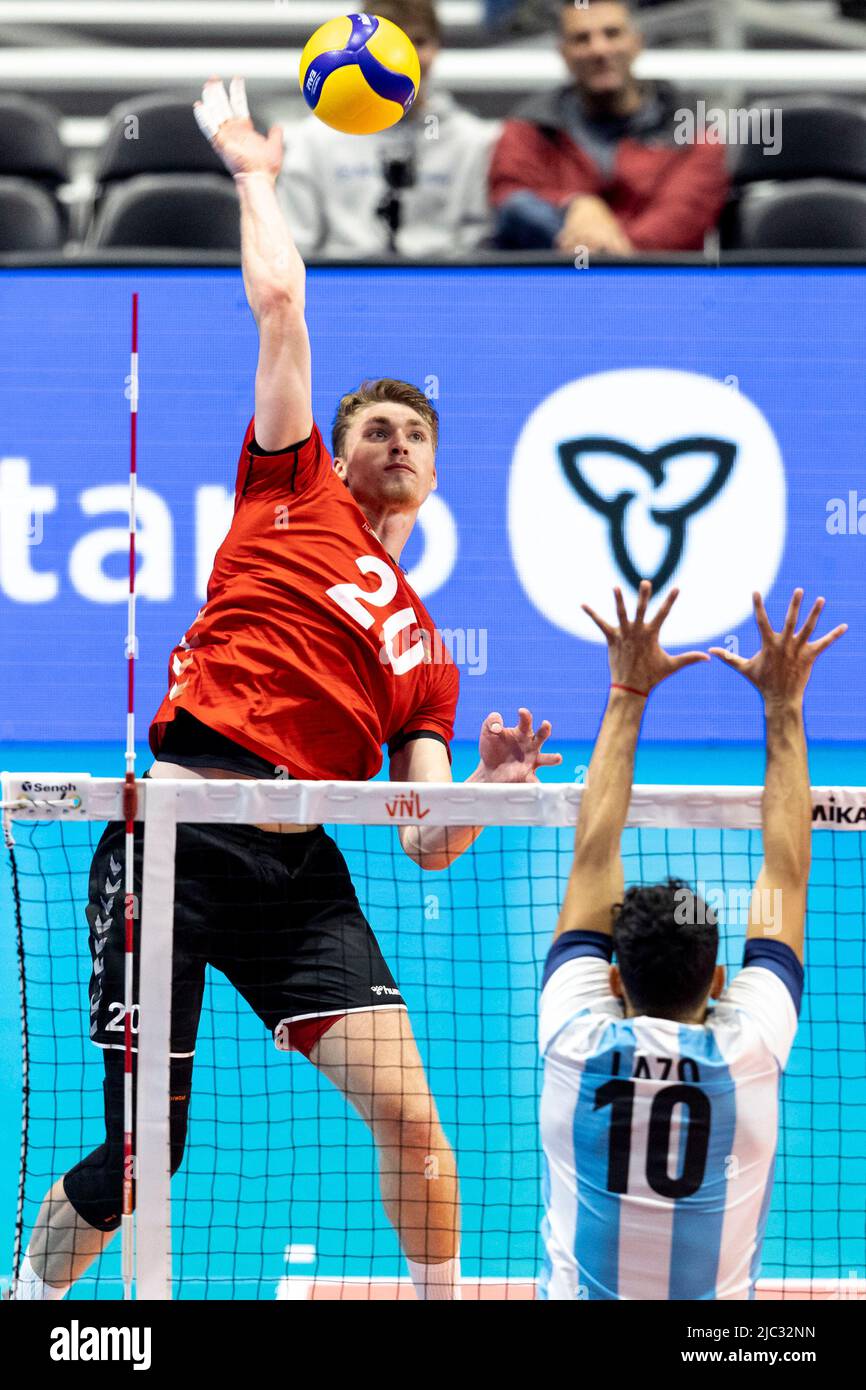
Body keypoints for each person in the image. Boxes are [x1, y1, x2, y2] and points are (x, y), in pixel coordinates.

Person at [14, 76, 561, 1304]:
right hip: (172, 838)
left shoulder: (424, 646)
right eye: (375, 428)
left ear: (431, 475)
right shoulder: (289, 488)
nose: (396, 444)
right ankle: (32, 1303)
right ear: (336, 444)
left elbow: (428, 845)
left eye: (414, 436)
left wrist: (490, 789)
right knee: (143, 1158)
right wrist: (252, 168)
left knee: (417, 1124)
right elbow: (279, 300)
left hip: (300, 872)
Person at [539, 581, 846, 1299]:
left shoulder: (573, 1040)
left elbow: (592, 856)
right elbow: (785, 875)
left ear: (615, 980)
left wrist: (627, 689)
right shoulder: (750, 1050)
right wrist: (783, 707)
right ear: (717, 982)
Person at [490, 0, 729, 253]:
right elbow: (510, 199)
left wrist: (606, 250)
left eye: (612, 33)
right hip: (553, 286)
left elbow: (682, 220)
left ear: (637, 42)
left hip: (661, 286)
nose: (599, 50)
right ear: (563, 53)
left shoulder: (692, 133)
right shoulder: (529, 128)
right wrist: (574, 205)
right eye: (582, 39)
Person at [277, 0, 501, 258]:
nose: (405, 59)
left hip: (439, 286)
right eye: (394, 43)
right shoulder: (314, 140)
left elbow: (478, 242)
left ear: (438, 46)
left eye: (419, 42)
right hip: (340, 284)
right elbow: (296, 244)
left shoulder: (471, 140)